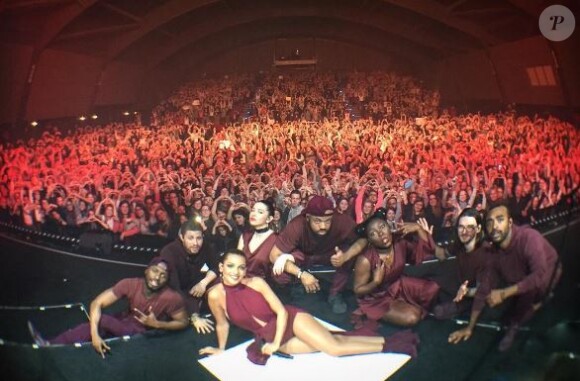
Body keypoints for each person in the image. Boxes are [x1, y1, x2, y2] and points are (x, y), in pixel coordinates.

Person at [198, 249, 419, 365]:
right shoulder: (215, 295)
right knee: (332, 341)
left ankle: (393, 345)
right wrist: (220, 348)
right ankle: (388, 341)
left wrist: (275, 343)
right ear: (220, 267)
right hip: (268, 337)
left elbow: (282, 311)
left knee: (334, 349)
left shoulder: (256, 283)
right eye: (230, 266)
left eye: (241, 267)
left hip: (290, 320)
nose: (236, 272)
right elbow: (221, 324)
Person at [448, 201, 561, 351]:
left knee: (528, 293)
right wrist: (470, 326)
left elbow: (539, 274)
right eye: (490, 222)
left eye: (500, 220)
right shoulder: (493, 251)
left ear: (510, 222)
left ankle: (525, 315)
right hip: (520, 275)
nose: (494, 226)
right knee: (499, 302)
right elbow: (486, 286)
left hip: (548, 273)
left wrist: (505, 293)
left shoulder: (529, 238)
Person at [27, 257, 188, 358]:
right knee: (94, 324)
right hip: (126, 320)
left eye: (163, 275)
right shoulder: (130, 284)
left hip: (144, 332)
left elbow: (183, 322)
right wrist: (95, 335)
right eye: (155, 271)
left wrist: (157, 324)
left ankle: (52, 344)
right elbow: (97, 303)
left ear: (167, 280)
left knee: (103, 320)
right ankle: (51, 344)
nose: (157, 277)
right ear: (146, 271)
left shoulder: (172, 297)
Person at [269, 195, 368, 314]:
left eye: (327, 221)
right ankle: (296, 287)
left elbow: (363, 239)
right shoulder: (297, 224)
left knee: (352, 253)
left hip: (331, 255)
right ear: (308, 217)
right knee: (278, 269)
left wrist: (345, 256)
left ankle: (335, 294)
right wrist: (300, 274)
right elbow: (274, 255)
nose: (323, 226)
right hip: (305, 256)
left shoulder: (341, 220)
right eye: (317, 221)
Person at [352, 209, 440, 328]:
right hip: (377, 299)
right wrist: (375, 282)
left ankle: (402, 304)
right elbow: (358, 290)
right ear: (370, 241)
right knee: (413, 317)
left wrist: (418, 229)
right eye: (373, 233)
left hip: (397, 286)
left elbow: (424, 253)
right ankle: (388, 311)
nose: (381, 233)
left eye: (382, 226)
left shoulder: (399, 243)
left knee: (433, 288)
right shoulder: (365, 260)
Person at [158, 220, 219, 333]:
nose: (195, 243)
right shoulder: (169, 252)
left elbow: (216, 267)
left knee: (219, 282)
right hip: (177, 295)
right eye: (190, 238)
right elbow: (175, 289)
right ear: (182, 237)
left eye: (199, 238)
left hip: (198, 289)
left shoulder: (206, 247)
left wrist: (203, 283)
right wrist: (194, 316)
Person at [432, 208, 490, 320]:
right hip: (460, 289)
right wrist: (427, 237)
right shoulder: (459, 244)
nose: (464, 232)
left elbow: (484, 288)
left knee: (439, 312)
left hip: (476, 297)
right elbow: (442, 255)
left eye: (469, 227)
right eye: (461, 227)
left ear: (478, 228)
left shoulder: (485, 252)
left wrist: (467, 292)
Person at [237, 199, 278, 279]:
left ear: (269, 219)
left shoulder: (276, 239)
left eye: (260, 212)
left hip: (263, 287)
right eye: (253, 210)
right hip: (241, 284)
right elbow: (237, 263)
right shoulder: (245, 236)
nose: (254, 214)